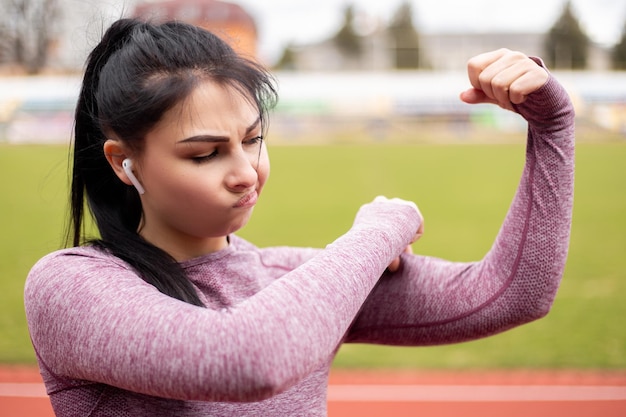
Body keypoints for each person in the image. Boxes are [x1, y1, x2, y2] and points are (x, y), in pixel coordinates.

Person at [24, 18, 575, 417]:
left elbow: (512, 292)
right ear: (124, 162)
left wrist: (552, 126)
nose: (246, 172)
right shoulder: (70, 285)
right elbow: (248, 361)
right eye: (204, 153)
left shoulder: (297, 281)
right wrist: (376, 234)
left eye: (254, 140)